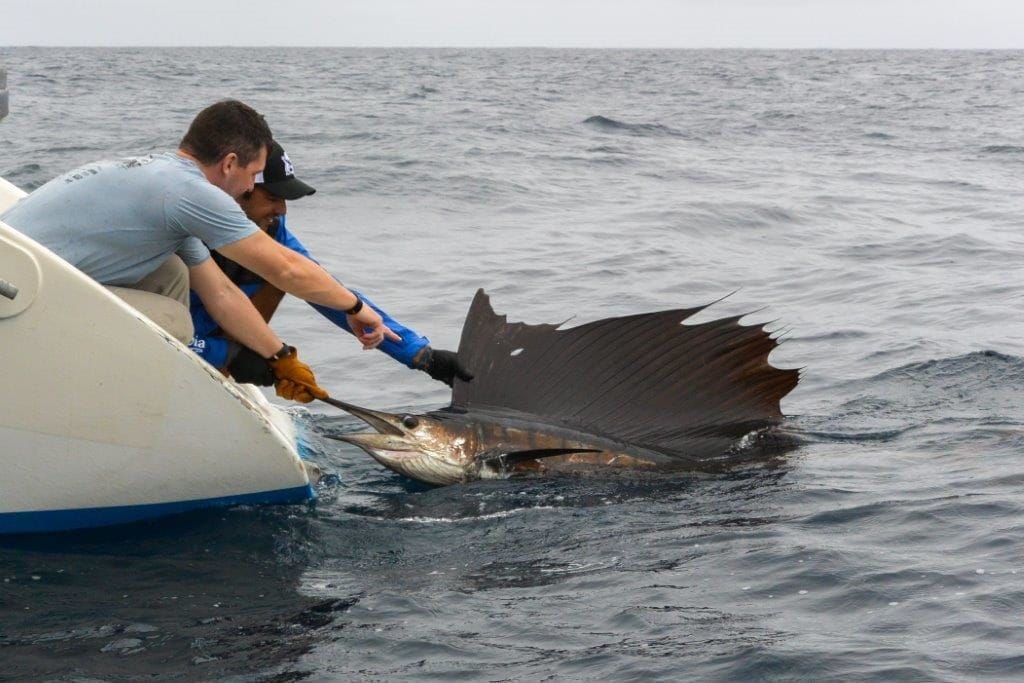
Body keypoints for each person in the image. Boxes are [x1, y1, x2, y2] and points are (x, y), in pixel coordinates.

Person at [0, 99, 394, 403]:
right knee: (174, 321)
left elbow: (221, 294)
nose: (249, 188)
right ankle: (105, 404)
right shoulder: (190, 193)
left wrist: (280, 358)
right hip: (15, 303)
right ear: (229, 163)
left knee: (172, 272)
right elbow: (287, 269)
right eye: (253, 175)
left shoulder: (164, 182)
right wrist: (357, 309)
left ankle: (154, 395)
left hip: (22, 283)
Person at [189, 140, 472, 387]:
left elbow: (327, 291)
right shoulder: (185, 223)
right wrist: (226, 354)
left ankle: (217, 373)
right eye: (273, 197)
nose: (282, 210)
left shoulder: (271, 228)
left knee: (294, 278)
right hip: (171, 343)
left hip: (209, 348)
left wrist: (423, 357)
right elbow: (148, 326)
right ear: (240, 185)